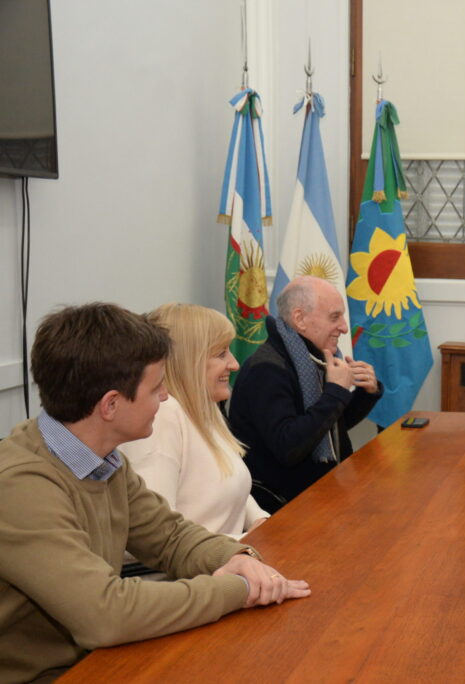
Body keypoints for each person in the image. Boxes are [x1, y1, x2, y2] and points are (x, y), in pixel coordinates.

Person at [0, 303, 309, 684]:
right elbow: (105, 615)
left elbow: (170, 537)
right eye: (156, 387)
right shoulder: (19, 487)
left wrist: (236, 557)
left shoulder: (102, 457)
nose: (166, 397)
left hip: (97, 658)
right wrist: (237, 589)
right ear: (111, 404)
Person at [229, 276, 382, 512]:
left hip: (321, 495)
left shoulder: (311, 357)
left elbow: (328, 428)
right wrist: (335, 392)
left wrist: (365, 394)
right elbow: (289, 447)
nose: (343, 327)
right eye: (334, 317)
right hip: (282, 509)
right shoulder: (267, 369)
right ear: (300, 319)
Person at [120, 303, 268, 538]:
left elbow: (228, 478)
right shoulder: (162, 417)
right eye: (221, 354)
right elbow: (156, 534)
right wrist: (247, 542)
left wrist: (259, 519)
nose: (235, 364)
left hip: (226, 562)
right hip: (191, 572)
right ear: (189, 360)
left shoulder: (202, 409)